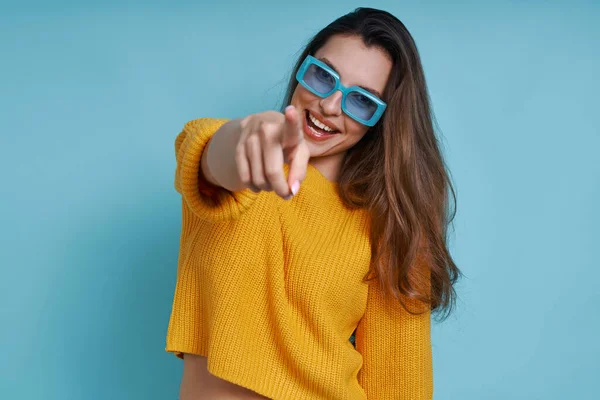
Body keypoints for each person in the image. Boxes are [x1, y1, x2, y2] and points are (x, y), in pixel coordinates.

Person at [165, 7, 461, 400]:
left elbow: (400, 381)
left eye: (362, 101)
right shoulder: (241, 161)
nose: (330, 106)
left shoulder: (389, 224)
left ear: (381, 121)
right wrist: (245, 136)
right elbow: (209, 153)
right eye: (323, 76)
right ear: (303, 69)